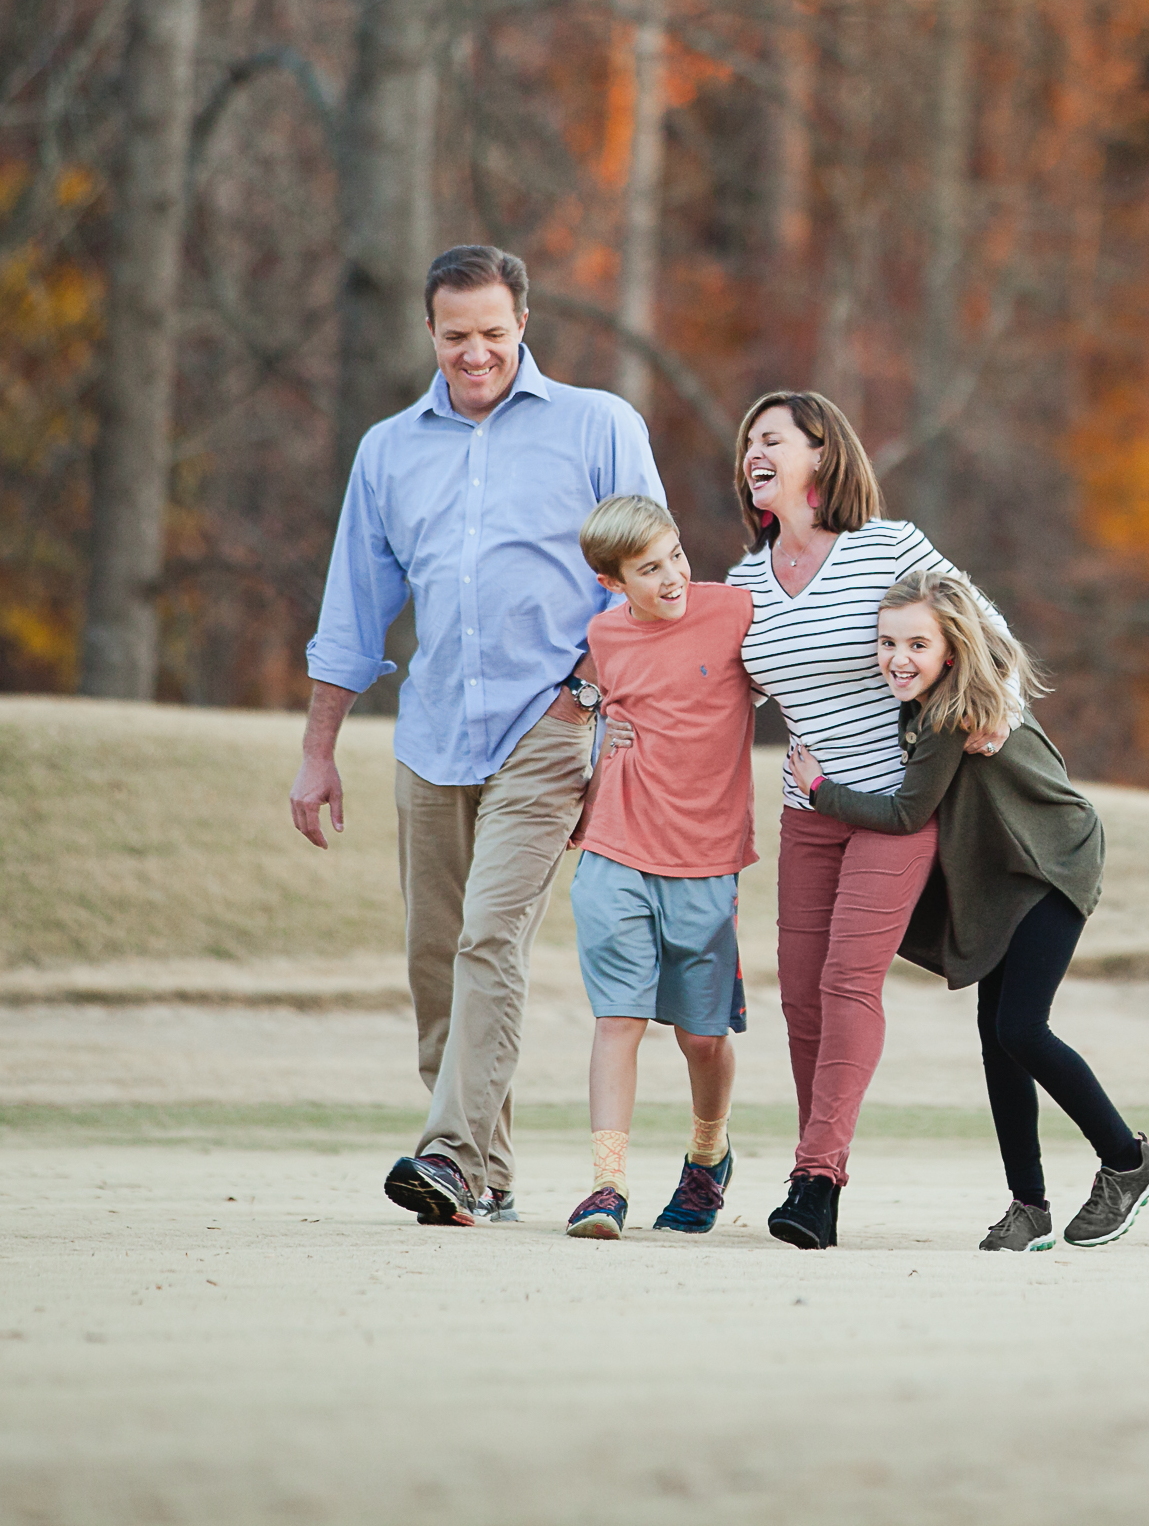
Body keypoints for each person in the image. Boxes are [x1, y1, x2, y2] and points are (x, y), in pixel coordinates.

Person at [289, 244, 664, 1228]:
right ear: (430, 332)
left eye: (493, 333)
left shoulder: (596, 426)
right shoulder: (389, 449)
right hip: (431, 730)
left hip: (549, 723)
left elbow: (652, 579)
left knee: (491, 937)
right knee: (435, 959)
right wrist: (318, 748)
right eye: (456, 336)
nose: (475, 353)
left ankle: (445, 1153)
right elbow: (351, 612)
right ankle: (486, 1176)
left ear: (522, 324)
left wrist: (590, 697)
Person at [796, 568, 1149, 1253]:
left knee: (1021, 1028)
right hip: (1004, 878)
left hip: (1053, 864)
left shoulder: (951, 711)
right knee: (999, 1040)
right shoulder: (953, 696)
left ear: (950, 649)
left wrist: (818, 787)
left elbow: (908, 812)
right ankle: (1029, 1207)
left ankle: (1127, 1159)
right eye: (886, 643)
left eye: (916, 644)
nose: (897, 659)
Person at [723, 391, 949, 1250]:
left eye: (772, 437)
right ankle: (819, 1159)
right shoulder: (744, 580)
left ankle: (817, 1178)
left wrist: (993, 710)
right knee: (801, 996)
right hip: (807, 810)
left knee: (852, 982)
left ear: (821, 452)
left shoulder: (886, 547)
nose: (754, 450)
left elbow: (979, 627)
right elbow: (703, 679)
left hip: (895, 807)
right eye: (749, 440)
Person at [560, 494, 756, 1240]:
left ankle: (709, 1154)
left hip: (707, 861)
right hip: (615, 850)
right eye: (650, 567)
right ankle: (606, 1186)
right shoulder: (603, 634)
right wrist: (596, 744)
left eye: (675, 554)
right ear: (614, 581)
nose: (673, 574)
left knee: (703, 1036)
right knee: (619, 1019)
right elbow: (591, 709)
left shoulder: (736, 611)